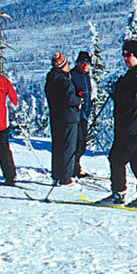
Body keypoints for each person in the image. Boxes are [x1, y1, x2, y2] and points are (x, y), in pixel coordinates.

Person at [98, 39, 137, 207]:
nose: (125, 58)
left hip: (135, 125)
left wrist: (118, 91)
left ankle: (118, 194)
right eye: (123, 54)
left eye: (128, 54)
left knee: (116, 157)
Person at [44, 52, 81, 186]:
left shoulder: (50, 79)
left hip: (56, 117)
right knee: (68, 147)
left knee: (58, 146)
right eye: (67, 64)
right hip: (69, 117)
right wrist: (79, 99)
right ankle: (66, 177)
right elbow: (69, 98)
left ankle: (57, 174)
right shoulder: (64, 80)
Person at [70, 51, 96, 178]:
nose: (85, 65)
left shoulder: (86, 76)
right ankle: (73, 168)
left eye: (87, 63)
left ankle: (76, 167)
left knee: (82, 143)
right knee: (76, 143)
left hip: (85, 113)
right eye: (83, 63)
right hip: (76, 115)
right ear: (78, 63)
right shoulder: (72, 75)